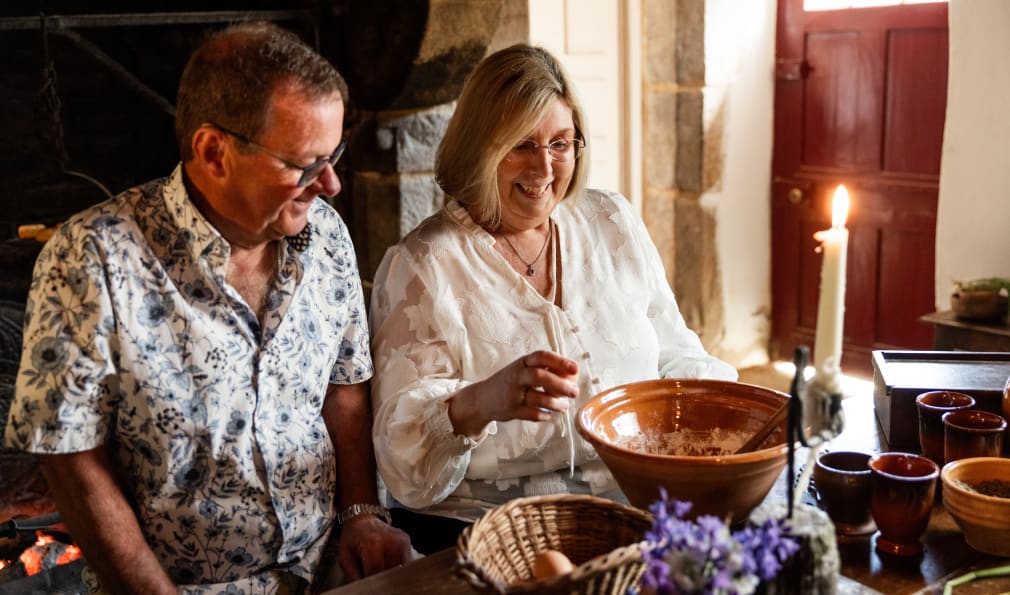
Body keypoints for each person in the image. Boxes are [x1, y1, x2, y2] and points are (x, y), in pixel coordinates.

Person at [3, 22, 410, 594]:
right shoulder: (90, 258)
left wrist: (362, 512)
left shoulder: (328, 237)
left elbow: (344, 389)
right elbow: (72, 459)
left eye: (335, 153)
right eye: (305, 164)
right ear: (214, 152)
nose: (333, 184)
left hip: (326, 569)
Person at [368, 44, 738, 555]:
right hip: (487, 536)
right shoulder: (423, 265)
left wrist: (735, 413)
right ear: (479, 147)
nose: (544, 168)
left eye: (560, 143)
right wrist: (484, 401)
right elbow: (402, 463)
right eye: (521, 144)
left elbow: (674, 351)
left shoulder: (612, 220)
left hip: (631, 512)